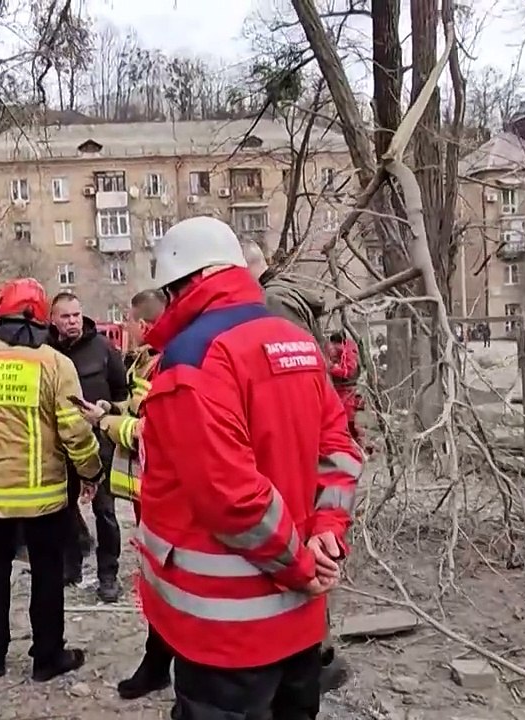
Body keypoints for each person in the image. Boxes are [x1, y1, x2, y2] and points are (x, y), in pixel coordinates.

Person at [139, 217, 362, 719]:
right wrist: (327, 532)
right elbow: (340, 447)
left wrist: (301, 569)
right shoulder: (297, 340)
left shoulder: (192, 359)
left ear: (183, 285)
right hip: (302, 616)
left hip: (227, 630)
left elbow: (231, 496)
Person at [0, 278, 103, 681]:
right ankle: (47, 657)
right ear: (41, 315)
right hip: (44, 496)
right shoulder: (53, 363)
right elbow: (74, 429)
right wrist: (91, 470)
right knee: (47, 572)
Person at [242, 237, 351, 692]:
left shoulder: (271, 305)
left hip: (302, 437)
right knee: (312, 534)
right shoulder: (288, 297)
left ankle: (312, 653)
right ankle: (311, 650)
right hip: (316, 432)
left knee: (304, 537)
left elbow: (293, 382)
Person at [94, 289, 175, 700]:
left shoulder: (167, 363)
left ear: (143, 325)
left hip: (163, 491)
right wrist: (114, 409)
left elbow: (153, 432)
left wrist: (109, 423)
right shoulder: (151, 360)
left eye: (127, 322)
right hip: (151, 494)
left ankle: (160, 663)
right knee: (156, 579)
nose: (123, 329)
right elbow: (143, 413)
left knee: (165, 582)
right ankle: (159, 660)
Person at [48, 291, 128, 602]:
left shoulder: (103, 348)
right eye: (65, 316)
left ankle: (108, 574)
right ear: (53, 319)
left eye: (76, 315)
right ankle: (72, 565)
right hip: (60, 443)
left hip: (99, 443)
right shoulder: (45, 350)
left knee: (104, 510)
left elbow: (124, 393)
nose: (72, 321)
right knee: (63, 507)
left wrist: (109, 409)